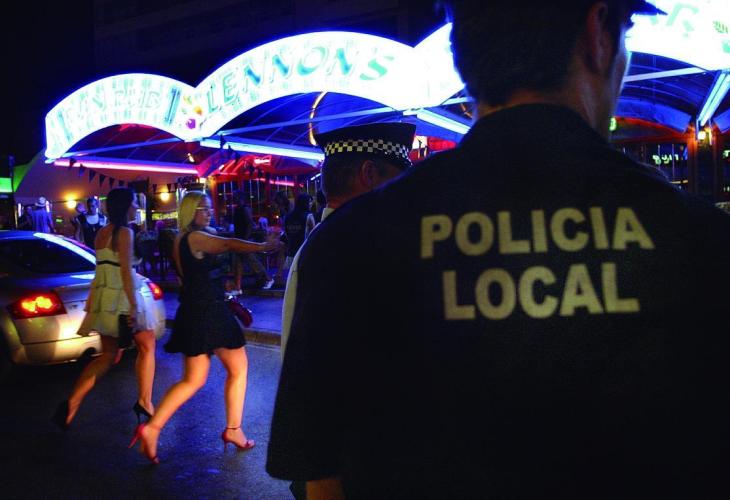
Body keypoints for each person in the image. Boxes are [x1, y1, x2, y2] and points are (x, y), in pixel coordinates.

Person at [267, 1, 730, 498]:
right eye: (626, 30)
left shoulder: (347, 248)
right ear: (598, 34)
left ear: (462, 52)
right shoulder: (703, 243)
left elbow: (323, 483)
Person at [278, 123, 416, 500]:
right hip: (348, 470)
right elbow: (320, 390)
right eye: (399, 179)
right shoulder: (343, 251)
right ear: (369, 175)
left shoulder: (332, 243)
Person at [129, 191, 279, 464]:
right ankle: (233, 429)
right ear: (190, 211)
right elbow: (227, 244)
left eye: (209, 208)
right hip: (210, 311)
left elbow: (195, 275)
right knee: (238, 368)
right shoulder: (195, 237)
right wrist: (263, 246)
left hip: (195, 310)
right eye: (203, 208)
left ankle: (152, 428)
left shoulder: (181, 239)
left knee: (193, 380)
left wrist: (222, 283)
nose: (209, 212)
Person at [52, 188, 157, 429]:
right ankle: (145, 402)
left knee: (107, 356)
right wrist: (133, 306)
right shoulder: (125, 233)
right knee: (147, 346)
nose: (136, 207)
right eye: (134, 203)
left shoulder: (102, 232)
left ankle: (71, 405)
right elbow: (126, 273)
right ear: (125, 206)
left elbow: (105, 268)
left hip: (105, 298)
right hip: (123, 296)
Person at [232, 190, 275, 291]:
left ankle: (268, 278)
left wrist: (246, 238)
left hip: (243, 239)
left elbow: (249, 224)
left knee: (250, 260)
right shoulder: (238, 209)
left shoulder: (244, 209)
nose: (234, 198)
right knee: (239, 262)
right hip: (240, 238)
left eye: (236, 196)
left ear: (240, 197)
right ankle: (238, 286)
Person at [280, 193, 315, 278]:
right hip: (304, 251)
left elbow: (286, 234)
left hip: (291, 252)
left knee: (292, 278)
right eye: (309, 202)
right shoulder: (309, 216)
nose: (311, 204)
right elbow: (314, 234)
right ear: (305, 203)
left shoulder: (287, 217)